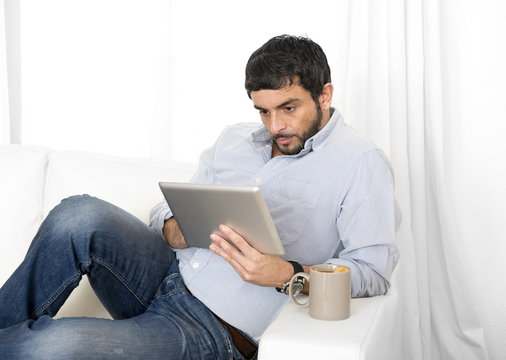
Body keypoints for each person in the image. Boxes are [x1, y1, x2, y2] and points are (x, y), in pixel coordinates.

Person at [0, 35, 400, 359]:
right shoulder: (234, 140)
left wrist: (285, 273)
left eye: (288, 108)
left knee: (52, 347)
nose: (275, 125)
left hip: (214, 329)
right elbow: (169, 206)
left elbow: (373, 271)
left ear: (325, 94)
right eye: (263, 111)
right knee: (78, 214)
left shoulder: (360, 163)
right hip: (166, 273)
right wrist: (173, 228)